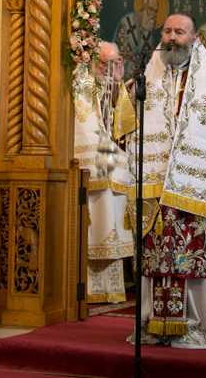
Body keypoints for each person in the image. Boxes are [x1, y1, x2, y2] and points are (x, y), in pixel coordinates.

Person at [124, 13, 206, 349]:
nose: (172, 37)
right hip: (153, 188)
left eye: (179, 32)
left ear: (194, 38)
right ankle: (151, 325)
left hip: (194, 189)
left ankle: (196, 327)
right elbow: (122, 125)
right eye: (167, 31)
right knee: (154, 258)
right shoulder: (143, 80)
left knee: (192, 256)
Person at [74, 42, 134, 302]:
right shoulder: (79, 84)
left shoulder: (119, 87)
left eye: (117, 62)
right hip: (85, 167)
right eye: (105, 63)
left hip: (111, 167)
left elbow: (123, 125)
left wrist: (116, 83)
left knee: (110, 220)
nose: (111, 68)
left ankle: (110, 290)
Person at [113, 0, 159, 77]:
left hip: (141, 78)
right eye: (150, 9)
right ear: (144, 6)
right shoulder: (126, 24)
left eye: (155, 11)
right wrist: (134, 69)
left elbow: (151, 58)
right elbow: (119, 55)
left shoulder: (148, 29)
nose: (153, 14)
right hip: (124, 76)